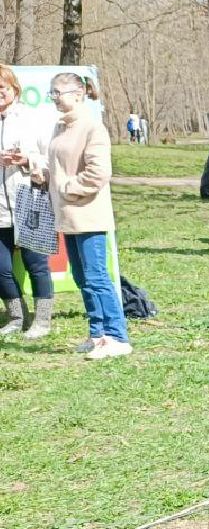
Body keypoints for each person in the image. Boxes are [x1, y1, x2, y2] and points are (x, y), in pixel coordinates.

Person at [28, 73, 131, 359]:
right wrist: (44, 175)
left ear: (78, 94)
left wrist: (66, 187)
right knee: (81, 277)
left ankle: (117, 336)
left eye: (58, 92)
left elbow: (98, 173)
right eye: (51, 93)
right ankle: (97, 334)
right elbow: (61, 168)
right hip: (67, 216)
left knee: (97, 278)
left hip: (89, 214)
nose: (54, 98)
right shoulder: (60, 126)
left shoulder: (92, 127)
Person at [0, 64, 55, 339]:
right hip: (0, 208)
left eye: (2, 88)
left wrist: (27, 160)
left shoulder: (32, 118)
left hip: (29, 199)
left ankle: (42, 321)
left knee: (36, 265)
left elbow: (52, 158)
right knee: (1, 269)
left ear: (15, 89)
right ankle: (16, 316)